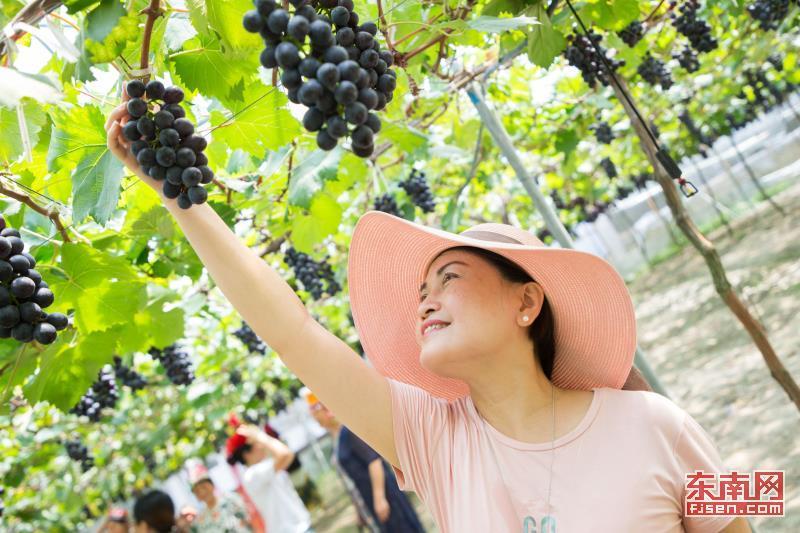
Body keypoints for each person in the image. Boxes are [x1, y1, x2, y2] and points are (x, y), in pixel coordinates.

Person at [106, 94, 749, 532]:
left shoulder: (657, 423)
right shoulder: (435, 439)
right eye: (420, 290)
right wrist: (177, 196)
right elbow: (292, 330)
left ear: (527, 301)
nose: (424, 299)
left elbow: (745, 516)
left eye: (450, 276)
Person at [306, 391, 425, 532]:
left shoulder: (350, 430)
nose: (315, 419)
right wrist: (359, 510)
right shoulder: (337, 437)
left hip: (383, 495)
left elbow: (374, 461)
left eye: (316, 414)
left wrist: (379, 498)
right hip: (367, 497)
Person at [226, 423, 313, 533]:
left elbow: (285, 454)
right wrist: (260, 436)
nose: (262, 445)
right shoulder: (252, 474)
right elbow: (286, 454)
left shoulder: (262, 468)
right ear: (246, 453)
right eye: (257, 443)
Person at [188, 465, 252, 532]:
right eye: (197, 491)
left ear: (212, 485)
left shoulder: (230, 500)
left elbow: (249, 518)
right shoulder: (200, 520)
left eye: (204, 487)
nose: (202, 492)